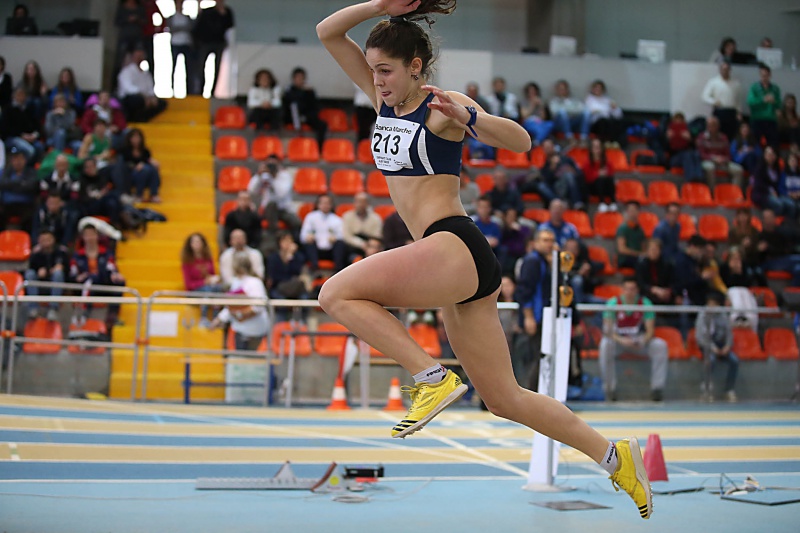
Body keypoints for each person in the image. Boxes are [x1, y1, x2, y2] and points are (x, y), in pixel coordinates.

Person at [316, 1, 652, 519]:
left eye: (386, 70)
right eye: (374, 70)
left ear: (415, 67)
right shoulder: (381, 100)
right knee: (504, 399)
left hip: (455, 243)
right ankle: (615, 456)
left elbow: (522, 141)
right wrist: (382, 6)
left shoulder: (440, 106)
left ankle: (432, 378)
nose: (377, 80)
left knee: (335, 293)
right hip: (452, 262)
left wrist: (470, 117)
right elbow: (327, 31)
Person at [599, 277, 668, 402]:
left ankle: (657, 389)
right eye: (627, 289)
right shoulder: (613, 303)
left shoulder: (645, 303)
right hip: (619, 341)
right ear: (622, 290)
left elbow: (650, 331)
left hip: (639, 341)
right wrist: (622, 340)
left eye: (632, 289)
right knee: (605, 345)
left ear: (637, 290)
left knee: (660, 345)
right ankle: (610, 389)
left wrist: (641, 341)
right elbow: (608, 331)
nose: (630, 292)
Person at [513, 229, 554, 390]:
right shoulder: (532, 261)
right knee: (529, 358)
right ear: (535, 243)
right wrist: (528, 316)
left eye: (551, 240)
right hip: (534, 317)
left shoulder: (545, 261)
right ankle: (525, 392)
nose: (549, 244)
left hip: (543, 317)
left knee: (538, 358)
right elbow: (524, 291)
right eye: (545, 240)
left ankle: (533, 392)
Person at [208, 254, 270, 352]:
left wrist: (241, 314)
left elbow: (258, 306)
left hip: (255, 330)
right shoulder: (236, 282)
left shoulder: (255, 282)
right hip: (239, 330)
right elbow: (230, 306)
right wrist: (219, 319)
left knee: (252, 359)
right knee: (239, 358)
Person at [69, 224, 126, 328]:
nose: (90, 238)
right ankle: (84, 311)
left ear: (97, 236)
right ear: (83, 237)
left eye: (92, 234)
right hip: (84, 285)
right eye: (87, 235)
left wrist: (115, 275)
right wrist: (77, 278)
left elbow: (111, 267)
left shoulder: (106, 253)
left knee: (120, 281)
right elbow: (72, 274)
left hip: (103, 283)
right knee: (91, 279)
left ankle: (113, 315)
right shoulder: (78, 255)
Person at [695, 291, 739, 403]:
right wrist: (712, 348)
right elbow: (701, 337)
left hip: (721, 345)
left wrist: (727, 346)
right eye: (709, 304)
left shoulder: (723, 315)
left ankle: (729, 390)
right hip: (706, 346)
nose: (711, 307)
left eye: (714, 304)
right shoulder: (703, 315)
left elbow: (729, 333)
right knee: (711, 360)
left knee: (734, 361)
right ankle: (706, 390)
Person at [247, 154, 300, 238]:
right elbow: (251, 190)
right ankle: (275, 236)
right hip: (268, 208)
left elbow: (281, 194)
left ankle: (294, 241)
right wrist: (258, 175)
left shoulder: (285, 176)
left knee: (297, 222)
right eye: (269, 164)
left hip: (284, 209)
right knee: (271, 206)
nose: (271, 167)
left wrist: (273, 179)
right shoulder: (264, 175)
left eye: (273, 164)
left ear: (278, 164)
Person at [24, 228, 69, 321]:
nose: (46, 242)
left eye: (48, 239)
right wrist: (38, 271)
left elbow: (67, 270)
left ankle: (53, 308)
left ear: (53, 239)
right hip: (39, 284)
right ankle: (33, 308)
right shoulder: (36, 254)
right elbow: (31, 268)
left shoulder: (61, 252)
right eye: (43, 240)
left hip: (55, 285)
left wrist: (58, 268)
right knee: (30, 274)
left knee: (58, 274)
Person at [192, 0, 234, 96]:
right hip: (205, 43)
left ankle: (213, 92)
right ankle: (200, 91)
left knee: (217, 68)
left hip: (219, 43)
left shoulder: (227, 12)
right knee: (201, 67)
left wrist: (223, 15)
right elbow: (198, 27)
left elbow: (230, 27)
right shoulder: (207, 11)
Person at [181, 232, 223, 326]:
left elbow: (212, 275)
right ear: (190, 245)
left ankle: (216, 317)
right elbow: (188, 285)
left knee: (218, 288)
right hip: (194, 291)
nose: (197, 244)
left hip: (210, 288)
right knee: (207, 290)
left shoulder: (208, 259)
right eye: (194, 242)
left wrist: (213, 279)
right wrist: (204, 282)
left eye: (198, 242)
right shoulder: (187, 262)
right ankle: (203, 317)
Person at [266, 231, 310, 320]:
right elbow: (275, 276)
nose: (288, 243)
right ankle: (280, 324)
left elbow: (297, 272)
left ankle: (303, 323)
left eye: (290, 240)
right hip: (279, 287)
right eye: (285, 240)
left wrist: (290, 257)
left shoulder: (298, 257)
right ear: (279, 243)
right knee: (280, 302)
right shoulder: (273, 258)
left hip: (295, 288)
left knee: (305, 299)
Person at [117, 48, 168, 122]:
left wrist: (151, 97)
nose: (140, 58)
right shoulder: (126, 71)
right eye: (138, 56)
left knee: (161, 103)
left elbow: (150, 89)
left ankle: (143, 119)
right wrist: (144, 97)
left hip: (146, 98)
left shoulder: (146, 74)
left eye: (141, 56)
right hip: (130, 98)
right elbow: (128, 88)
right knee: (137, 101)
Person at [300, 193, 347, 272]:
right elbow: (303, 236)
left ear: (331, 205)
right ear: (318, 204)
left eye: (328, 203)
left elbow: (342, 236)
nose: (325, 205)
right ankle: (315, 269)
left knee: (340, 244)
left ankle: (337, 270)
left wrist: (335, 238)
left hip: (330, 250)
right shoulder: (311, 217)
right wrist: (308, 237)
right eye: (323, 203)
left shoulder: (337, 219)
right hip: (316, 249)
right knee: (308, 244)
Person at [282, 67, 327, 148]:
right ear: (293, 79)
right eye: (297, 78)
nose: (299, 80)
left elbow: (314, 106)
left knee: (322, 125)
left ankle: (319, 147)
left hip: (307, 116)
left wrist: (308, 93)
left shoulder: (309, 92)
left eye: (301, 78)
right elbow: (290, 104)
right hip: (293, 116)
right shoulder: (289, 91)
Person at [696, 115, 743, 189]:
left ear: (718, 126)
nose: (711, 127)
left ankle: (735, 192)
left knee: (738, 170)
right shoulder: (702, 137)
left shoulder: (723, 137)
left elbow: (728, 154)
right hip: (708, 160)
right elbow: (701, 154)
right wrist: (713, 158)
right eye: (709, 125)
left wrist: (723, 159)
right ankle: (712, 191)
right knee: (710, 168)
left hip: (722, 161)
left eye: (713, 125)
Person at [116, 128, 161, 203]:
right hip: (130, 174)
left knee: (152, 169)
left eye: (138, 137)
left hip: (145, 173)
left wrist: (152, 163)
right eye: (134, 137)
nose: (136, 139)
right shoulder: (125, 150)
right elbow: (123, 165)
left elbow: (147, 160)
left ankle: (154, 194)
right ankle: (139, 194)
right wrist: (135, 166)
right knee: (144, 170)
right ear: (129, 138)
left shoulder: (145, 151)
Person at [701, 61, 741, 141]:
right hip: (719, 112)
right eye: (723, 69)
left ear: (730, 70)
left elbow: (737, 100)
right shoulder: (713, 82)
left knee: (731, 135)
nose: (725, 71)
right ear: (720, 70)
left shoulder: (736, 84)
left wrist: (739, 112)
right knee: (718, 135)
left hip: (732, 113)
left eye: (727, 69)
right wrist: (713, 101)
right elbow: (704, 96)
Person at [751, 146, 795, 219]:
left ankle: (788, 222)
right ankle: (775, 222)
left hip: (776, 194)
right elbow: (758, 184)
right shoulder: (759, 168)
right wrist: (770, 191)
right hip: (762, 194)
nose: (770, 156)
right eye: (768, 154)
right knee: (778, 204)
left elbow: (779, 185)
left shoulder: (777, 169)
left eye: (772, 154)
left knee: (791, 205)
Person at [0, 146, 38, 230]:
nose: (17, 162)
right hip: (7, 205)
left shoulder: (31, 172)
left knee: (31, 216)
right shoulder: (7, 171)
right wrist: (20, 184)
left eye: (20, 159)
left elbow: (31, 186)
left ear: (25, 160)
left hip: (25, 205)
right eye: (15, 159)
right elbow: (2, 183)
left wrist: (11, 186)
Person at [2, 86, 42, 163]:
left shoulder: (28, 109)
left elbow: (36, 125)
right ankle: (23, 169)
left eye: (23, 95)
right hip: (12, 138)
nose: (21, 97)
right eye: (19, 94)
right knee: (29, 150)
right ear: (14, 96)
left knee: (39, 147)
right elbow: (6, 129)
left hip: (28, 137)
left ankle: (31, 167)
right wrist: (22, 135)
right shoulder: (8, 109)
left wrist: (34, 135)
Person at [747, 63, 781, 149]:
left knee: (773, 145)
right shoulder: (754, 87)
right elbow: (750, 102)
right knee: (755, 144)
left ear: (770, 75)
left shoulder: (775, 89)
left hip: (771, 120)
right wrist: (763, 100)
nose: (764, 77)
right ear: (760, 75)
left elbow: (779, 104)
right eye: (762, 75)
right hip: (757, 119)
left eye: (766, 75)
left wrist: (774, 101)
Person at [342, 192, 383, 260]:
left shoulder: (375, 218)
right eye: (357, 201)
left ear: (368, 204)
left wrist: (369, 246)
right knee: (341, 246)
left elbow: (377, 235)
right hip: (353, 245)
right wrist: (361, 244)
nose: (359, 204)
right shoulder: (347, 216)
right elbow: (347, 236)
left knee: (376, 249)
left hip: (370, 245)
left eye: (362, 202)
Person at [167, 0, 195, 94]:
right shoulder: (171, 18)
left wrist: (179, 28)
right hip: (175, 43)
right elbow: (171, 29)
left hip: (186, 43)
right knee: (174, 66)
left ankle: (189, 91)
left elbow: (190, 28)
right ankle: (172, 89)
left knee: (188, 68)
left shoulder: (187, 17)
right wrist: (183, 28)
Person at [635, 238, 674, 307]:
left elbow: (672, 281)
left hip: (664, 294)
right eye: (652, 249)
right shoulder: (641, 265)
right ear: (647, 251)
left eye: (656, 249)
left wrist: (667, 291)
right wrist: (654, 289)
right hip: (647, 293)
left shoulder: (667, 264)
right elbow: (641, 283)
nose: (654, 252)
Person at [114, 0, 147, 78]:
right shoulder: (122, 8)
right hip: (125, 36)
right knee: (120, 60)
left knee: (138, 59)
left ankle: (138, 79)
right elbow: (117, 22)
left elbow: (145, 21)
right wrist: (127, 19)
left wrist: (137, 19)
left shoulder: (140, 8)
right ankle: (116, 80)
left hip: (137, 36)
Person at [585, 80, 623, 146]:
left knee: (615, 122)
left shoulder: (607, 100)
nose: (598, 90)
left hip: (607, 121)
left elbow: (618, 115)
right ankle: (603, 142)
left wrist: (615, 108)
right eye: (596, 88)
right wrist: (604, 110)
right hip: (595, 123)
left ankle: (613, 142)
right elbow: (592, 111)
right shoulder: (589, 99)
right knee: (603, 122)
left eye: (600, 88)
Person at [666, 112, 702, 180]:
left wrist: (690, 139)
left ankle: (699, 176)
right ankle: (692, 179)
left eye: (680, 120)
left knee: (695, 154)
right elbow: (665, 150)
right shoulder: (668, 131)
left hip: (686, 154)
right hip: (674, 158)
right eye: (676, 120)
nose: (678, 121)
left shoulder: (688, 130)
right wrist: (667, 139)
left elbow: (695, 147)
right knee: (686, 155)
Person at [583, 137, 616, 211]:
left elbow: (611, 173)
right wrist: (597, 174)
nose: (597, 150)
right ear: (591, 149)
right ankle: (602, 202)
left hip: (605, 185)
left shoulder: (607, 162)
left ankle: (613, 202)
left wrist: (605, 174)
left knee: (609, 179)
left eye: (599, 147)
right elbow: (587, 178)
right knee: (600, 180)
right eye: (595, 147)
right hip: (593, 187)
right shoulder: (587, 163)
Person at [616, 201, 645, 270]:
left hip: (637, 257)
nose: (632, 213)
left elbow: (643, 247)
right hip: (625, 258)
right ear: (627, 212)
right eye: (630, 211)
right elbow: (621, 249)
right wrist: (638, 254)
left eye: (634, 210)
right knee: (640, 263)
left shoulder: (640, 230)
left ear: (638, 212)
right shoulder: (622, 228)